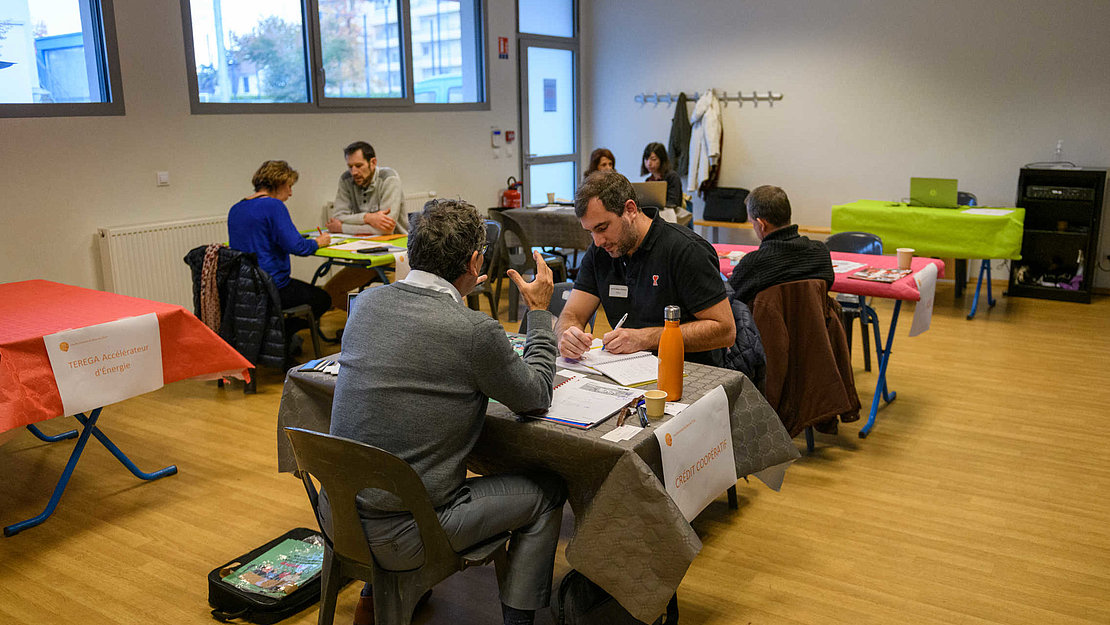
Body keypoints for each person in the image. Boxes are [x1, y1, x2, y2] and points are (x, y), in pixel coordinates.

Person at [329, 199, 566, 625]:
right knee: (547, 492)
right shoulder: (474, 331)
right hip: (408, 533)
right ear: (476, 261)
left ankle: (374, 598)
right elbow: (535, 396)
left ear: (410, 249)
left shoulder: (364, 305)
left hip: (338, 518)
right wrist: (540, 314)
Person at [556, 171, 735, 366]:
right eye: (590, 232)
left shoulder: (685, 250)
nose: (598, 241)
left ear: (630, 210)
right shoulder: (600, 252)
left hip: (689, 371)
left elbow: (725, 331)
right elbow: (572, 314)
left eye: (602, 228)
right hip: (628, 372)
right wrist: (568, 335)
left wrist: (645, 338)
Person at [227, 160, 331, 332]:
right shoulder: (274, 205)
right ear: (279, 182)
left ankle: (275, 337)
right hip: (273, 285)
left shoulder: (236, 208)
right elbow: (298, 247)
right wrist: (318, 242)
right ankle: (282, 336)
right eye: (289, 186)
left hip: (244, 287)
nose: (290, 193)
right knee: (322, 299)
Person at [323, 140, 407, 310]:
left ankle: (379, 327)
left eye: (359, 165)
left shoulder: (389, 177)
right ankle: (369, 323)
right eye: (350, 166)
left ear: (373, 162)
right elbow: (338, 215)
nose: (354, 172)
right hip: (367, 256)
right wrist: (368, 217)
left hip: (397, 258)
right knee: (329, 293)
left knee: (400, 306)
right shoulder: (346, 179)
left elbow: (385, 229)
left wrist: (342, 227)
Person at [727, 185, 835, 305]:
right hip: (814, 322)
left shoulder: (754, 263)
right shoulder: (820, 252)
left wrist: (741, 274)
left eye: (752, 223)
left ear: (761, 224)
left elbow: (728, 300)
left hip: (766, 323)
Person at [641, 141, 683, 207]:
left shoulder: (672, 177)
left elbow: (673, 203)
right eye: (646, 159)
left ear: (661, 160)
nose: (649, 163)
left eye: (653, 159)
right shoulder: (649, 180)